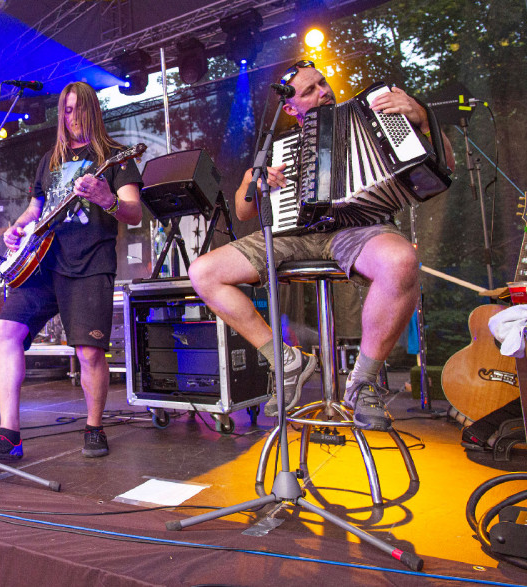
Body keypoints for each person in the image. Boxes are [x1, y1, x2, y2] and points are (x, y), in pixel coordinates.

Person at [187, 60, 455, 431]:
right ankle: (285, 360)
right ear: (289, 108)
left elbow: (445, 166)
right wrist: (254, 181)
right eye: (309, 90)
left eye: (322, 83)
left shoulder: (377, 115)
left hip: (360, 226)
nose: (323, 92)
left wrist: (423, 119)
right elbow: (244, 211)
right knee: (203, 272)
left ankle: (363, 382)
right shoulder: (279, 148)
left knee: (401, 261)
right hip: (294, 234)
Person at [0, 81, 143, 460]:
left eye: (79, 108)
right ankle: (9, 434)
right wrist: (16, 228)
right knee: (6, 329)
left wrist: (106, 199)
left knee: (88, 352)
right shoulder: (50, 160)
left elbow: (134, 212)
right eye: (66, 110)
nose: (73, 117)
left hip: (89, 263)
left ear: (92, 110)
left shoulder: (116, 157)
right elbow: (35, 208)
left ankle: (94, 427)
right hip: (42, 263)